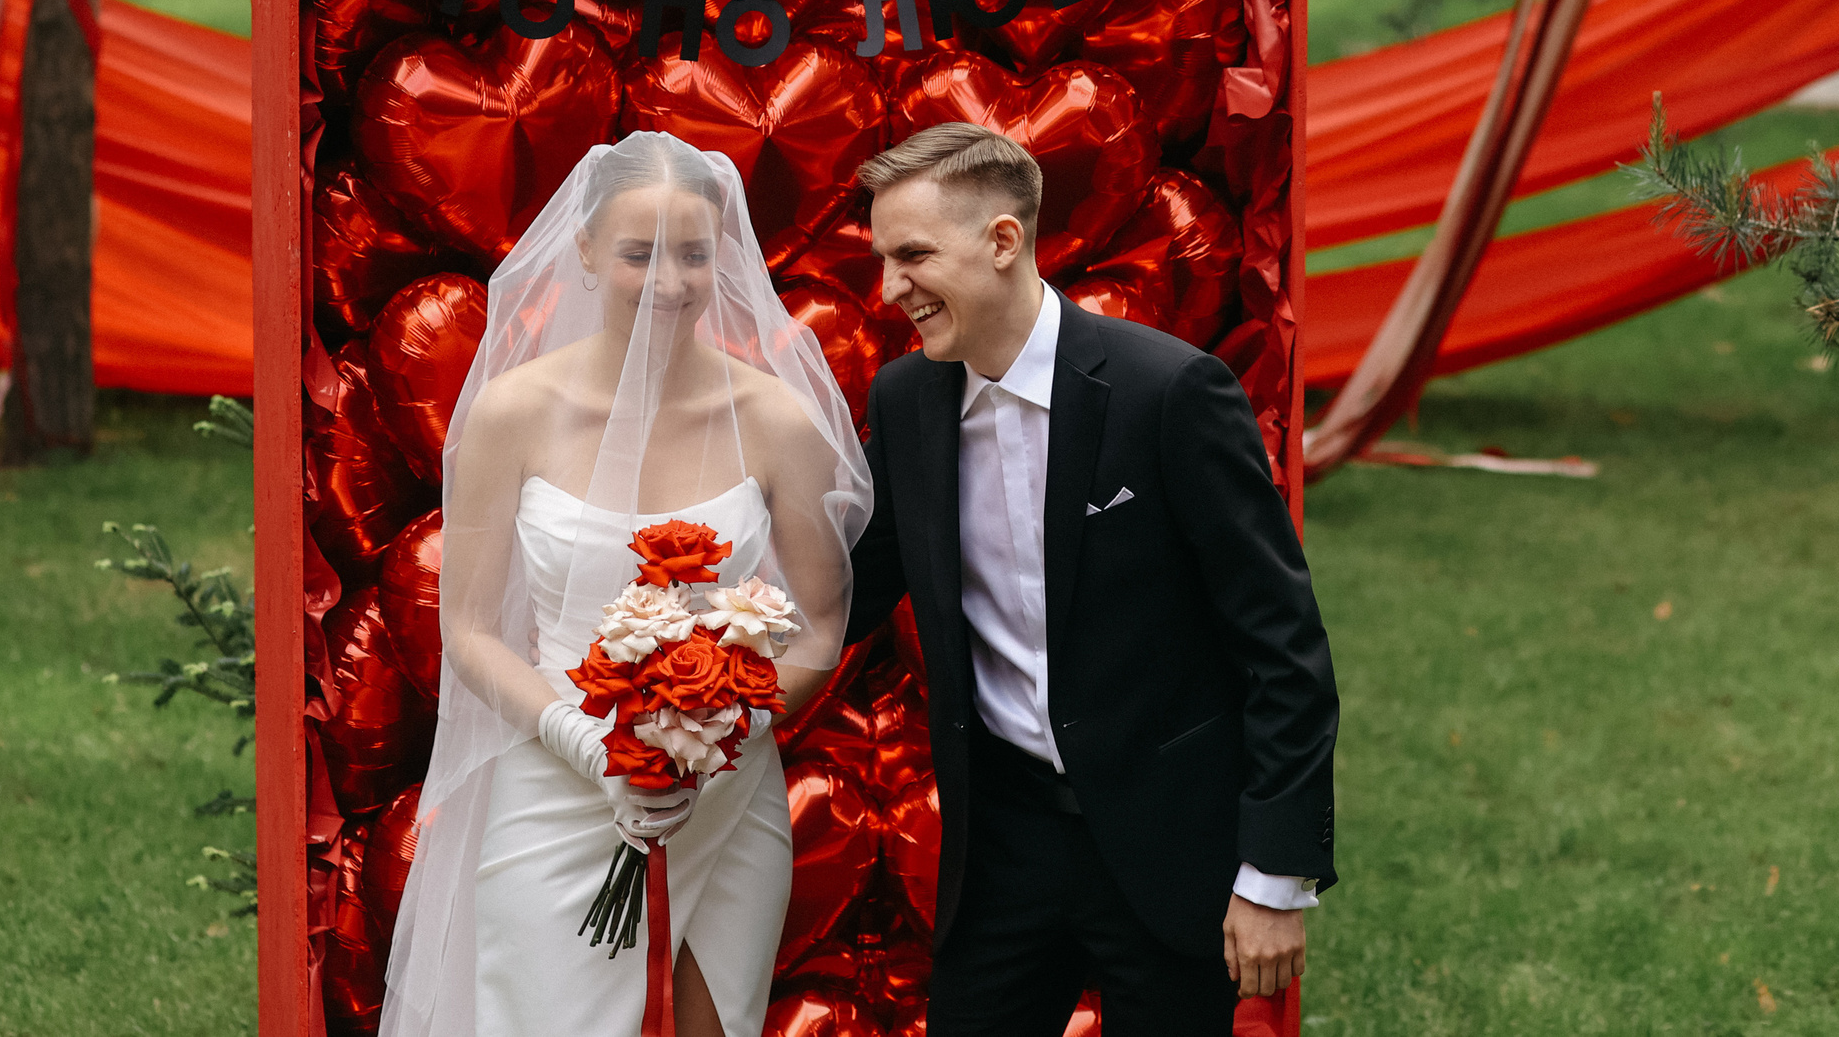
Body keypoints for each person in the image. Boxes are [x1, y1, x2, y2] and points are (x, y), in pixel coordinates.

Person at [849, 122, 1340, 1035]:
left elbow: (1283, 644)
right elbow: (846, 588)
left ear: (1004, 240)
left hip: (1170, 845)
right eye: (883, 260)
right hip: (1002, 850)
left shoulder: (1171, 392)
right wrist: (694, 650)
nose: (889, 289)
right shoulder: (905, 399)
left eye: (912, 256)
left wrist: (1274, 873)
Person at [379, 132, 873, 1037]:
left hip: (723, 789)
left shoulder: (775, 419)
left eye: (694, 254)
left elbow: (819, 626)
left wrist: (712, 736)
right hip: (554, 776)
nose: (670, 282)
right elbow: (472, 629)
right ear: (585, 251)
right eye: (640, 253)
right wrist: (593, 746)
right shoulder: (511, 412)